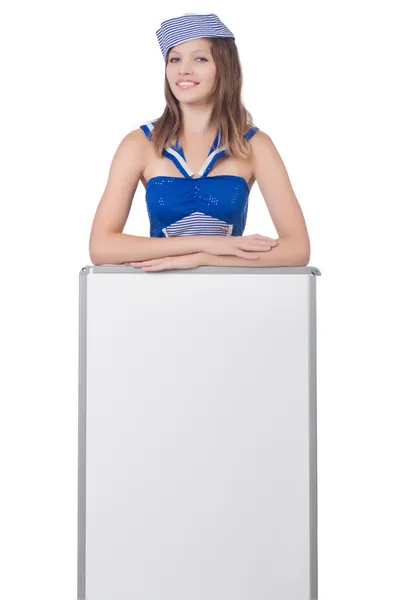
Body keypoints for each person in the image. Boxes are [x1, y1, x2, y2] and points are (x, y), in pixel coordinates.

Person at [89, 12, 310, 270]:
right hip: (155, 296)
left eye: (200, 59)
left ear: (224, 67)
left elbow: (297, 249)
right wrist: (207, 243)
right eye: (175, 59)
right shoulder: (139, 144)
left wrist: (204, 259)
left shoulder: (254, 145)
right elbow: (101, 247)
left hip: (230, 296)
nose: (184, 69)